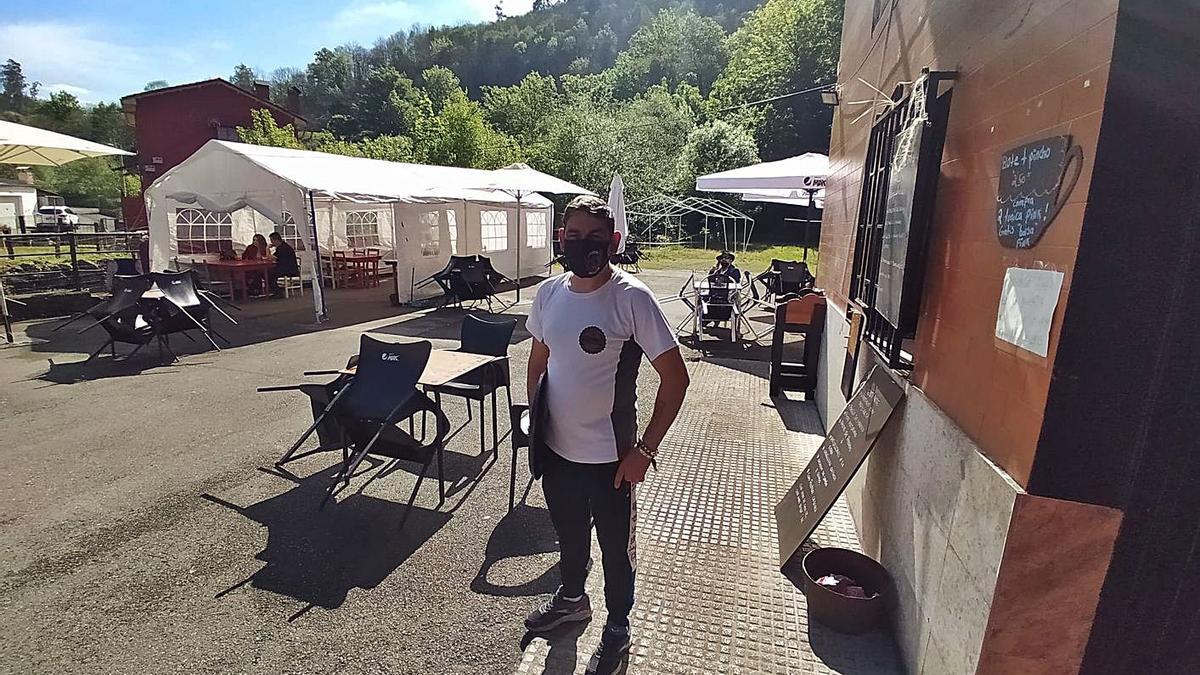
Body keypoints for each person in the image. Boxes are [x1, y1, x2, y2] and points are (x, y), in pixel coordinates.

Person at [524, 195, 690, 675]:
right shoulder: (550, 293)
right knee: (569, 536)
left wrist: (645, 450)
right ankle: (572, 600)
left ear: (614, 242)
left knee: (616, 551)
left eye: (595, 238)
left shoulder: (632, 298)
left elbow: (676, 379)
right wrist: (537, 418)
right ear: (561, 240)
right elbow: (539, 360)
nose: (583, 246)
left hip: (612, 461)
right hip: (556, 453)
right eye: (573, 237)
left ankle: (618, 627)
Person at [267, 232, 299, 298]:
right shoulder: (283, 246)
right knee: (270, 272)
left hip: (289, 269)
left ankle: (278, 292)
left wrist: (267, 249)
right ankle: (276, 290)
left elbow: (271, 257)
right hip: (289, 267)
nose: (271, 243)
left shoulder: (282, 248)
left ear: (276, 240)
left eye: (272, 240)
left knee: (269, 274)